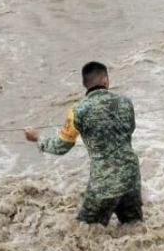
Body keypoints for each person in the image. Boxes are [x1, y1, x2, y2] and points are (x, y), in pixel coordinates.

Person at [25, 62, 143, 226]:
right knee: (134, 227)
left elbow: (61, 147)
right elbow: (129, 129)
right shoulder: (125, 102)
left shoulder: (77, 110)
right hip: (131, 176)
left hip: (104, 182)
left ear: (84, 84)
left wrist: (38, 139)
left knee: (84, 232)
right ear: (105, 80)